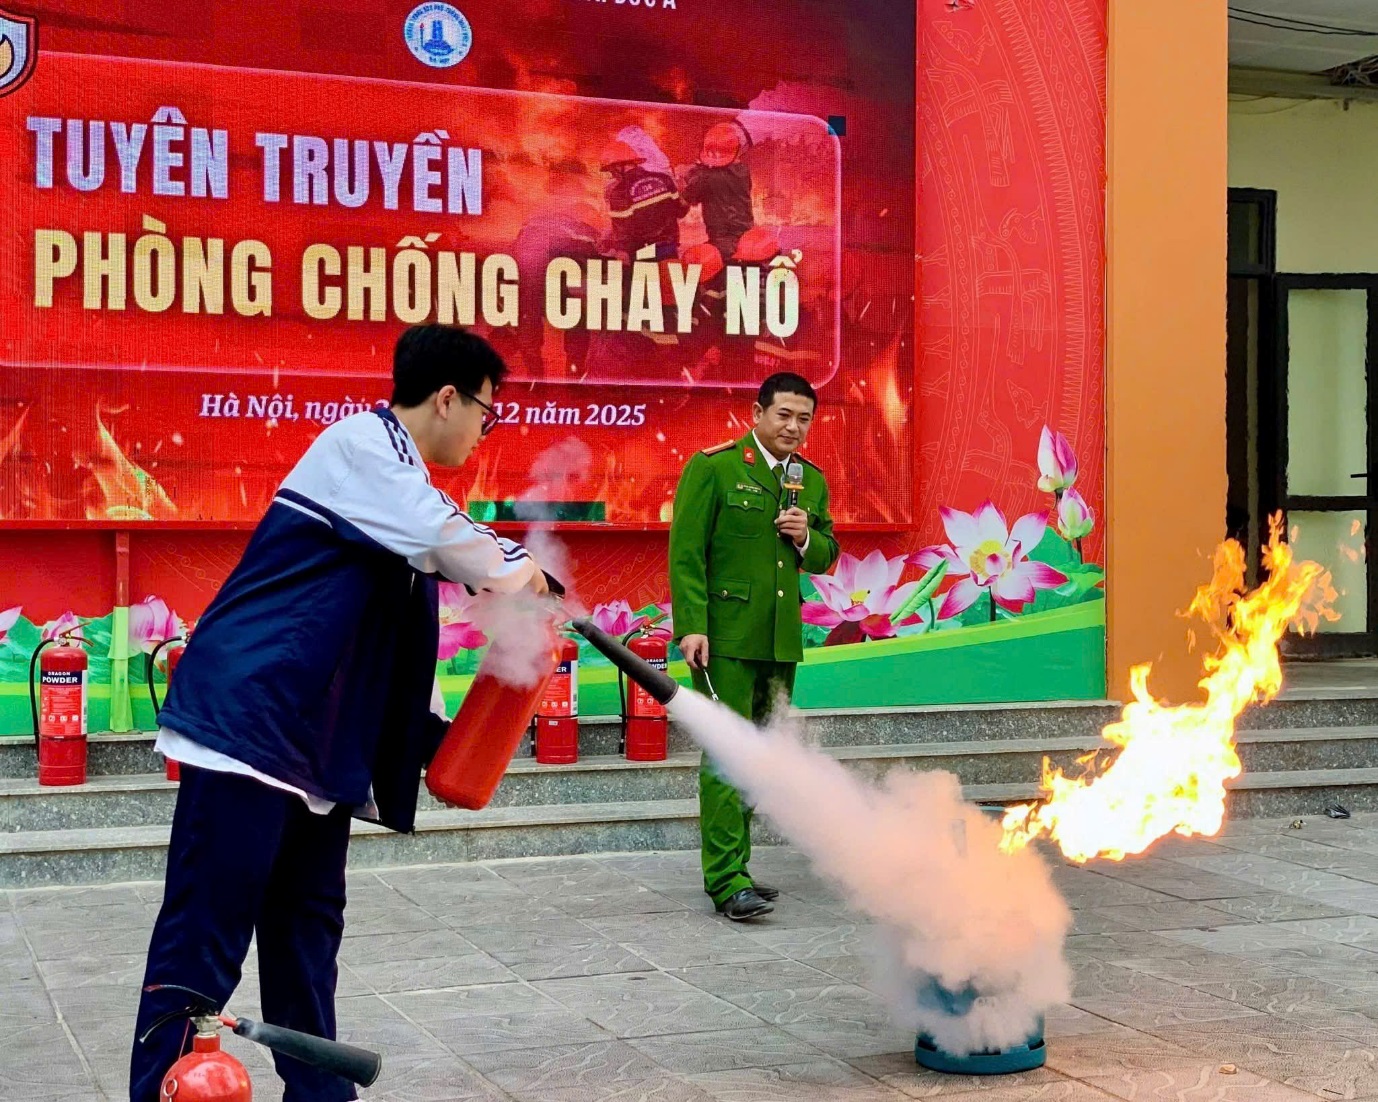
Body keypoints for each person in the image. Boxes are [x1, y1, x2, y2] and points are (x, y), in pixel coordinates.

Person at [129, 325, 548, 1102]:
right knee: (203, 945)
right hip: (251, 733)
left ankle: (321, 1097)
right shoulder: (361, 448)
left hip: (315, 756)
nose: (486, 431)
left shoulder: (397, 499)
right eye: (488, 412)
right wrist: (533, 575)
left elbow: (393, 649)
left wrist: (440, 740)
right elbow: (442, 532)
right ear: (448, 397)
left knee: (306, 939)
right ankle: (159, 1090)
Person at [668, 372, 839, 920]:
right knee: (726, 751)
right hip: (723, 639)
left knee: (759, 757)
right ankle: (725, 880)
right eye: (784, 415)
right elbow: (687, 552)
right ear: (758, 412)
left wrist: (806, 536)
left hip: (778, 640)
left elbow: (827, 553)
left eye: (804, 419)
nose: (793, 427)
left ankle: (736, 866)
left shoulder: (808, 481)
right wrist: (691, 624)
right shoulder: (714, 467)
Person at [599, 138, 687, 260]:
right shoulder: (664, 179)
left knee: (643, 279)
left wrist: (619, 251)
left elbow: (622, 232)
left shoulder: (620, 191)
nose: (612, 175)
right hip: (669, 248)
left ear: (620, 166)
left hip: (642, 253)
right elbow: (681, 212)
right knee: (668, 278)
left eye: (611, 170)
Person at [681, 121, 755, 264]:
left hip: (722, 243)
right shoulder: (743, 172)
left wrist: (688, 175)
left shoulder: (705, 177)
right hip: (746, 240)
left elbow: (685, 201)